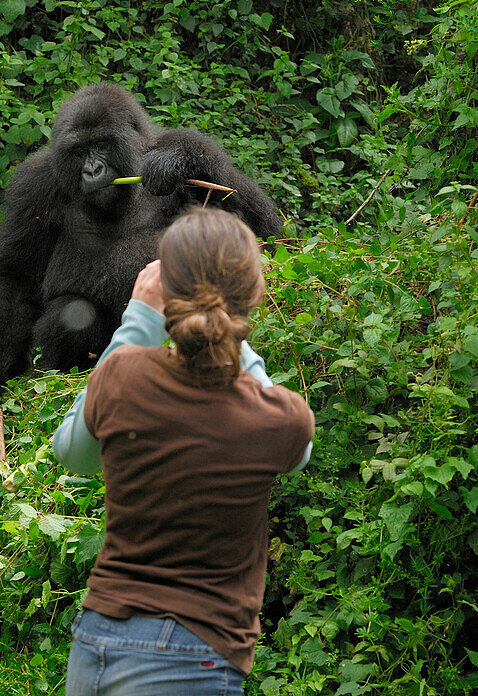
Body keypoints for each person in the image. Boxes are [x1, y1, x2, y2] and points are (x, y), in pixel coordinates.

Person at [52, 207, 315, 695]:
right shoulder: (279, 417)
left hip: (97, 640)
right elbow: (298, 455)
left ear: (161, 289)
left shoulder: (123, 376)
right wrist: (237, 343)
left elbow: (72, 454)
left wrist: (139, 321)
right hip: (192, 656)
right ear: (256, 295)